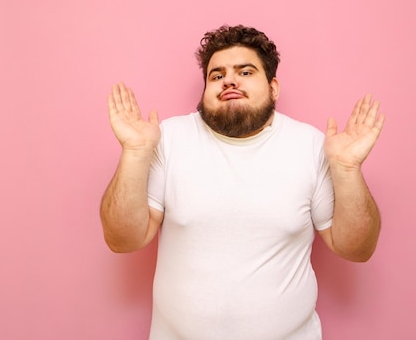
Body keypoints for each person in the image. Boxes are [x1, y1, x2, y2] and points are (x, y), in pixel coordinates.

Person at [100, 25, 385, 340]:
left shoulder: (311, 146)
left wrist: (346, 168)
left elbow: (355, 249)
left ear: (273, 87)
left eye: (245, 72)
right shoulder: (167, 140)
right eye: (217, 75)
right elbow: (123, 240)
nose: (229, 80)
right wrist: (135, 152)